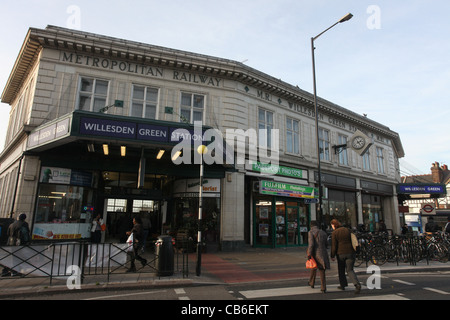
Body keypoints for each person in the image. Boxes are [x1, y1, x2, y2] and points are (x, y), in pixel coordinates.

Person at [330, 219, 361, 294]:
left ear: (334, 225)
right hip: (350, 252)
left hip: (340, 253)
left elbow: (334, 245)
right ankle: (356, 284)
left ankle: (343, 284)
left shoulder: (335, 233)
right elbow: (354, 240)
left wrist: (332, 255)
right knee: (350, 270)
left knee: (341, 269)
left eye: (332, 226)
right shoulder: (348, 230)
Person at [307, 221, 330, 293]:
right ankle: (323, 287)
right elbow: (326, 244)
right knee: (322, 270)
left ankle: (312, 282)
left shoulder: (311, 232)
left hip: (315, 253)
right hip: (323, 253)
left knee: (313, 267)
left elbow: (311, 244)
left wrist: (309, 254)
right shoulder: (323, 232)